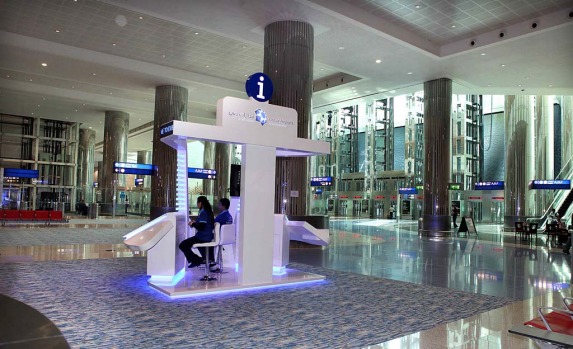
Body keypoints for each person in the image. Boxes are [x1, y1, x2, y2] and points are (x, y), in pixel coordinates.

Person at [178, 196, 215, 268]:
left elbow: (201, 227)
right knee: (187, 244)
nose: (197, 205)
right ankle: (199, 259)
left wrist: (193, 224)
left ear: (200, 203)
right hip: (207, 236)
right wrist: (195, 223)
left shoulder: (203, 212)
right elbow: (204, 224)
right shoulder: (208, 211)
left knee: (182, 245)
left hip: (202, 237)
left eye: (197, 203)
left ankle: (197, 260)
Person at [210, 198, 233, 271]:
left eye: (219, 205)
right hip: (225, 238)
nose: (218, 206)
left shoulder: (222, 216)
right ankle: (214, 262)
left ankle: (211, 262)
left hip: (219, 238)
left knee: (205, 239)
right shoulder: (229, 216)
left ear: (223, 206)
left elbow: (213, 223)